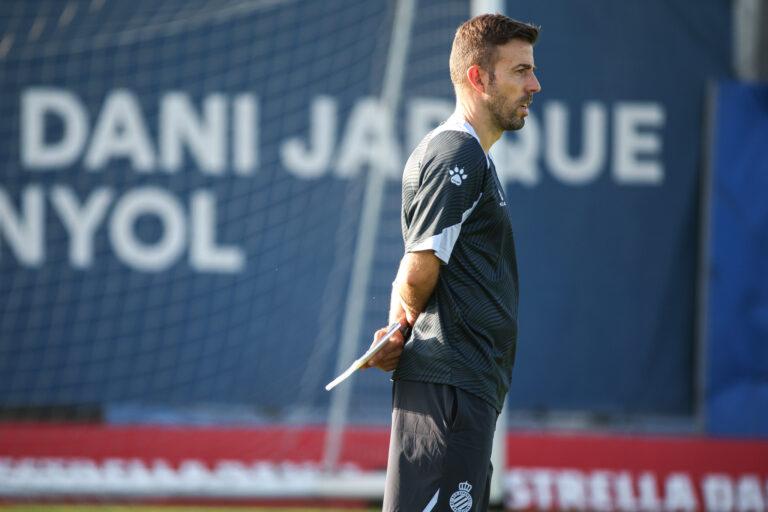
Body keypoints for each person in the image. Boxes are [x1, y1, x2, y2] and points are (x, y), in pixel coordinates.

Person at [364, 13, 542, 511]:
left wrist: (396, 332)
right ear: (477, 78)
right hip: (450, 389)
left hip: (460, 390)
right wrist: (399, 329)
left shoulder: (468, 155)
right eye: (520, 71)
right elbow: (419, 264)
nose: (535, 84)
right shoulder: (456, 152)